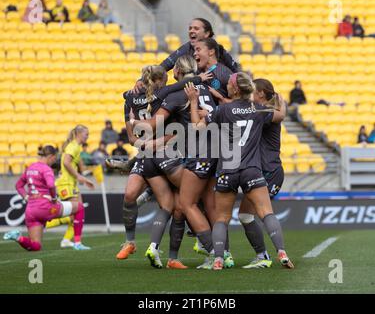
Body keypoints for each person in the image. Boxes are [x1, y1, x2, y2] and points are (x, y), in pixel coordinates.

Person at [186, 72, 294, 270]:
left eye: (229, 84)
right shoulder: (259, 109)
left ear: (235, 89)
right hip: (252, 169)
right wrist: (279, 99)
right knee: (266, 213)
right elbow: (281, 115)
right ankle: (281, 252)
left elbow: (196, 128)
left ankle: (218, 259)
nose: (226, 85)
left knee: (221, 219)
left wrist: (193, 102)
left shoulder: (222, 110)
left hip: (227, 170)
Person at [121, 63, 206, 268]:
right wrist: (200, 79)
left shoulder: (133, 96)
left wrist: (147, 142)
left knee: (169, 205)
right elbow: (184, 83)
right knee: (183, 200)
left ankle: (154, 247)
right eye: (165, 80)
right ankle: (198, 240)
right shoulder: (161, 94)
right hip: (163, 153)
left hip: (153, 153)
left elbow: (132, 135)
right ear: (159, 81)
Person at [238, 78, 287, 269]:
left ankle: (264, 256)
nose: (249, 94)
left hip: (269, 171)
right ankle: (275, 253)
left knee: (255, 214)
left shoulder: (261, 111)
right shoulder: (265, 111)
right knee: (248, 215)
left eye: (252, 91)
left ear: (260, 94)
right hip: (266, 170)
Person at [3, 146, 87, 251]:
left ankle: (18, 238)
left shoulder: (30, 167)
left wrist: (26, 197)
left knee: (36, 246)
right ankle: (78, 243)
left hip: (31, 211)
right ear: (51, 156)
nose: (55, 161)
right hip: (45, 207)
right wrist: (54, 198)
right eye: (55, 158)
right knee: (79, 207)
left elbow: (18, 185)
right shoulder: (46, 169)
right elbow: (51, 185)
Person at [132, 18, 239, 93]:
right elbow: (163, 66)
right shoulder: (185, 48)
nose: (191, 31)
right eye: (190, 28)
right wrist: (142, 80)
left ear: (207, 34)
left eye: (196, 29)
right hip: (192, 96)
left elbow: (237, 73)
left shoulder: (218, 50)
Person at [45, 125, 94, 250]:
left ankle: (68, 240)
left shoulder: (75, 146)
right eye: (86, 134)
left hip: (71, 183)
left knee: (79, 212)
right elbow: (66, 162)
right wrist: (79, 176)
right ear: (78, 134)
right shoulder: (74, 146)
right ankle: (44, 221)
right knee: (76, 212)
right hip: (66, 184)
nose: (87, 137)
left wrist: (81, 177)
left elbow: (68, 164)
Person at [194, 38, 233, 104]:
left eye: (198, 50)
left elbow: (241, 102)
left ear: (211, 52)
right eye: (194, 50)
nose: (194, 53)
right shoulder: (196, 73)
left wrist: (222, 99)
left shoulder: (224, 73)